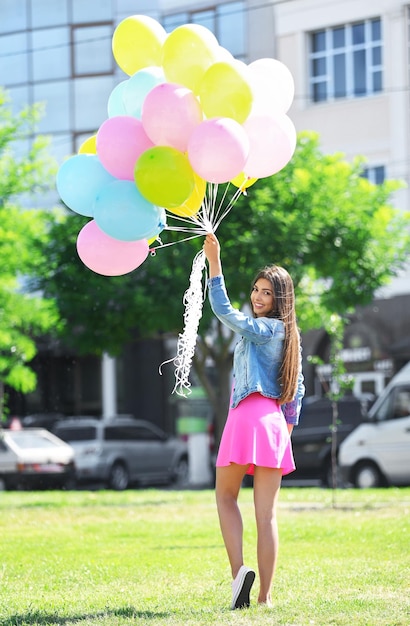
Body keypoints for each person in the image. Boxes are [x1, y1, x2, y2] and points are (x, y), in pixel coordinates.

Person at [203, 232, 305, 610]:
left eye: (267, 293)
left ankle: (239, 575)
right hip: (275, 424)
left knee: (226, 496)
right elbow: (298, 389)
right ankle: (264, 598)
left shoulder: (263, 329)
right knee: (268, 515)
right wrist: (285, 433)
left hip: (246, 416)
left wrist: (216, 263)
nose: (259, 298)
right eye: (256, 290)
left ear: (281, 299)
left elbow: (224, 311)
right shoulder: (291, 335)